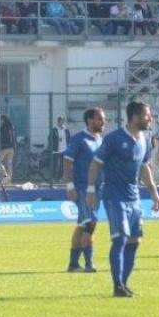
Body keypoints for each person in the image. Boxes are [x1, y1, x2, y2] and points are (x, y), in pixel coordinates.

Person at [86, 101, 159, 298]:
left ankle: (124, 284)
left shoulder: (145, 138)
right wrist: (91, 190)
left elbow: (144, 167)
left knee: (134, 241)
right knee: (120, 239)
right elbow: (96, 164)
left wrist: (154, 192)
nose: (150, 118)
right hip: (114, 195)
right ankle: (117, 285)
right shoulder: (114, 139)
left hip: (134, 196)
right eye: (147, 115)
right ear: (135, 117)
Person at [63, 107, 107, 273]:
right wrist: (69, 186)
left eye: (104, 119)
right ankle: (89, 264)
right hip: (82, 188)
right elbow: (67, 162)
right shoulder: (79, 139)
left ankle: (73, 264)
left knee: (82, 225)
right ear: (90, 120)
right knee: (90, 224)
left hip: (98, 189)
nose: (103, 122)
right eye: (100, 119)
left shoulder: (100, 139)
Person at [0, 115, 16, 186]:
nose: (0, 121)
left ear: (3, 120)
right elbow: (13, 137)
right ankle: (9, 181)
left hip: (5, 147)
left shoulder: (3, 127)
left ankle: (5, 175)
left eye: (1, 120)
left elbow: (3, 137)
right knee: (8, 163)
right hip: (12, 148)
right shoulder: (12, 126)